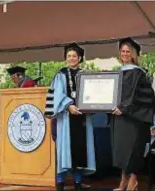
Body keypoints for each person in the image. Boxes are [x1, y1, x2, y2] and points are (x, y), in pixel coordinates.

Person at [45, 43, 96, 191]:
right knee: (64, 150)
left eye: (74, 56)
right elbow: (56, 95)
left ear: (79, 58)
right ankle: (60, 183)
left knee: (81, 150)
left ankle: (78, 183)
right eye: (69, 56)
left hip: (82, 118)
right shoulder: (60, 74)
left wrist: (92, 105)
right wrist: (68, 106)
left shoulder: (86, 74)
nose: (72, 58)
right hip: (66, 119)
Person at [111, 37, 155, 191]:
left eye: (128, 51)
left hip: (135, 119)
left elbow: (138, 96)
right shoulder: (118, 73)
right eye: (122, 51)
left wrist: (123, 107)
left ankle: (133, 181)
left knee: (134, 150)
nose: (124, 53)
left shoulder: (138, 73)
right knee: (122, 151)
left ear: (134, 54)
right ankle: (123, 181)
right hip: (120, 117)